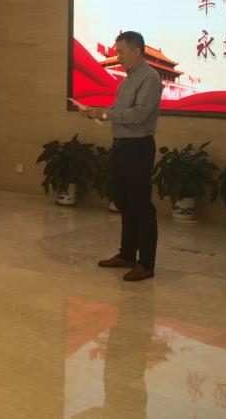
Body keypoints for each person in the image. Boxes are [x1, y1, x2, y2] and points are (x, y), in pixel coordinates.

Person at [81, 30, 162, 282]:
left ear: (136, 51)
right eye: (117, 52)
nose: (118, 56)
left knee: (141, 205)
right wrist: (96, 113)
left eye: (121, 52)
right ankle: (127, 254)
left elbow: (139, 114)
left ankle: (146, 263)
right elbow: (117, 112)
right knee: (124, 202)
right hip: (121, 147)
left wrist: (105, 114)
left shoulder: (150, 78)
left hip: (138, 148)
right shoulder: (126, 81)